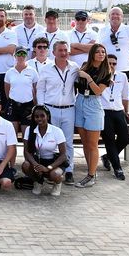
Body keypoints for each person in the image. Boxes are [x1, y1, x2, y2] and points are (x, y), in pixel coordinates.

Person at [36, 41, 79, 185]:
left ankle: (69, 171)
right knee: (51, 141)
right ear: (53, 52)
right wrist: (41, 109)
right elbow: (40, 89)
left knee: (68, 142)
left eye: (66, 50)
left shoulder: (74, 68)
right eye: (60, 50)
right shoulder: (46, 69)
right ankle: (50, 171)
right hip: (50, 109)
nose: (63, 53)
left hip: (68, 109)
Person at [73, 43, 111, 188]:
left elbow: (98, 91)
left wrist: (88, 77)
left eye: (103, 51)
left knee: (93, 144)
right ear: (92, 54)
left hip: (93, 104)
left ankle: (90, 175)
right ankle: (92, 171)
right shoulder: (84, 66)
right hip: (80, 101)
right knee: (85, 142)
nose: (101, 54)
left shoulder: (106, 71)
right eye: (98, 52)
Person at [21, 105, 67, 196]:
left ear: (48, 116)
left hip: (54, 161)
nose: (39, 119)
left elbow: (63, 155)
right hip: (38, 160)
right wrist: (35, 165)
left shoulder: (57, 131)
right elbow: (27, 151)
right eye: (36, 116)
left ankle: (57, 184)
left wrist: (48, 168)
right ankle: (38, 182)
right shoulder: (29, 130)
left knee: (55, 174)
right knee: (26, 165)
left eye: (42, 116)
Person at [100, 54, 129, 181]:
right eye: (109, 63)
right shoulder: (100, 76)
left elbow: (125, 96)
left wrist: (126, 111)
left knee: (125, 138)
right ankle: (117, 168)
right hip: (104, 111)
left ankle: (108, 157)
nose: (111, 66)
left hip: (118, 110)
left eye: (114, 64)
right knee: (109, 141)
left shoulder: (122, 76)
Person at [4, 46, 38, 137]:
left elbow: (35, 90)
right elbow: (7, 90)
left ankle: (27, 152)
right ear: (15, 56)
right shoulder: (9, 72)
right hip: (13, 105)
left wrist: (35, 106)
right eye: (19, 53)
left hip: (28, 105)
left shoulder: (32, 71)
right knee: (12, 136)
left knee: (27, 136)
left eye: (23, 54)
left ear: (26, 56)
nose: (21, 56)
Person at [99, 7, 129, 78]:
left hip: (123, 70)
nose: (115, 16)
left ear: (122, 17)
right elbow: (98, 48)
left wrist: (128, 62)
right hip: (105, 70)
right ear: (109, 16)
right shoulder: (102, 31)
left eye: (118, 14)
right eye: (113, 14)